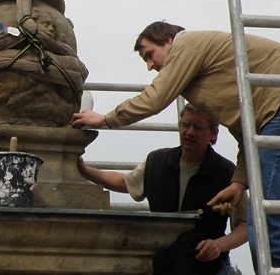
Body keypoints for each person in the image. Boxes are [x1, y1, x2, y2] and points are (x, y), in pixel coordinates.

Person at [70, 21, 280, 271]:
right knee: (276, 226)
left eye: (150, 55)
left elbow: (156, 97)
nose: (150, 66)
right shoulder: (221, 81)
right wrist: (238, 184)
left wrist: (105, 119)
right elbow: (246, 134)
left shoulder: (187, 45)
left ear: (168, 40)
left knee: (270, 228)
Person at [78, 104, 248, 275]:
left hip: (207, 268)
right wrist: (84, 171)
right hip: (160, 266)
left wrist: (219, 245)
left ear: (214, 134)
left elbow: (245, 226)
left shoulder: (229, 175)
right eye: (186, 125)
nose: (190, 132)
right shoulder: (157, 161)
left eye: (198, 127)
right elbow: (125, 183)